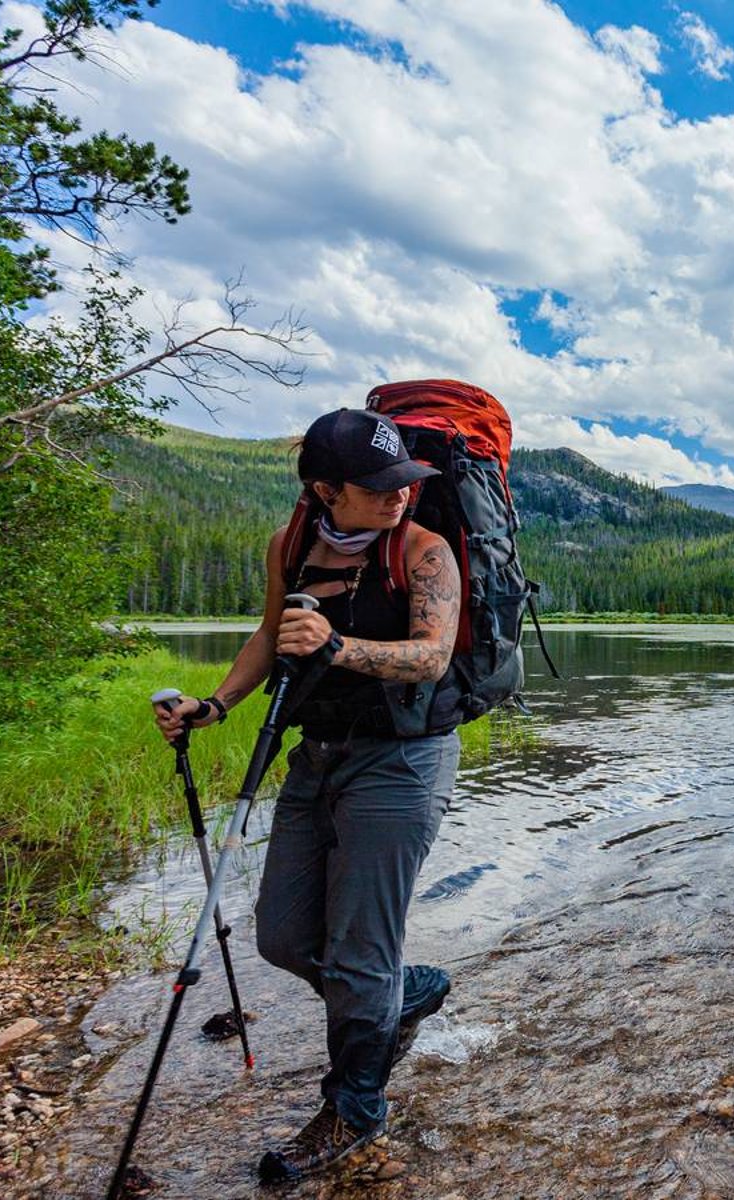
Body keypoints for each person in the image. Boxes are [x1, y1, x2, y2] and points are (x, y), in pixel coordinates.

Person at [152, 408, 461, 1184]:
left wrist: (337, 646)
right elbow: (268, 636)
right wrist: (214, 704)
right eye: (378, 486)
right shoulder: (290, 546)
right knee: (282, 936)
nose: (399, 496)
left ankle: (355, 1112)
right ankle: (398, 995)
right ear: (325, 489)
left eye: (406, 482)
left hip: (403, 763)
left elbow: (431, 658)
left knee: (361, 952)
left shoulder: (425, 551)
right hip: (315, 757)